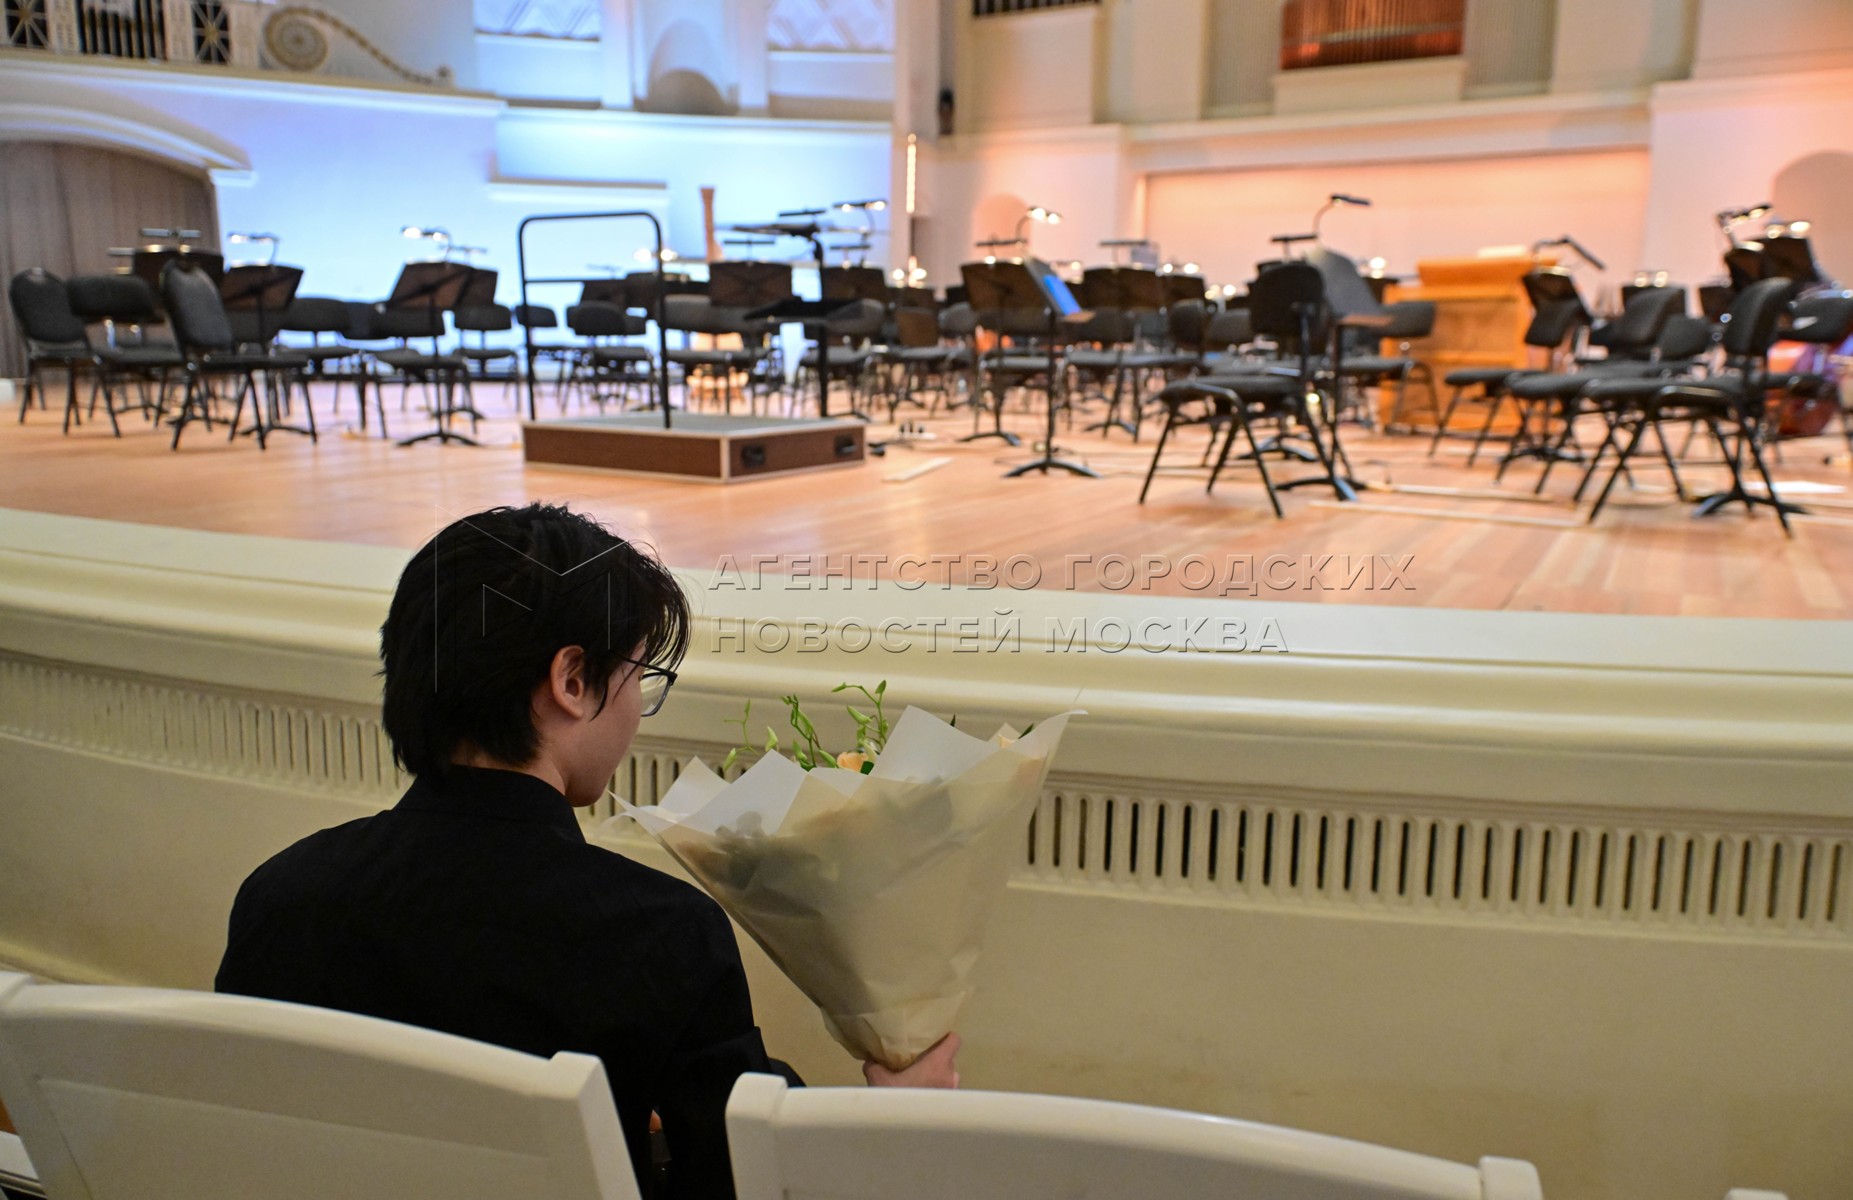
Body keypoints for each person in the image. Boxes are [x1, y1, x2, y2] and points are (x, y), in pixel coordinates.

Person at [216, 503, 959, 1200]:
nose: (637, 709)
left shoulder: (279, 897)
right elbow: (738, 1187)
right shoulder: (656, 935)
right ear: (572, 681)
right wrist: (896, 1119)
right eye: (639, 675)